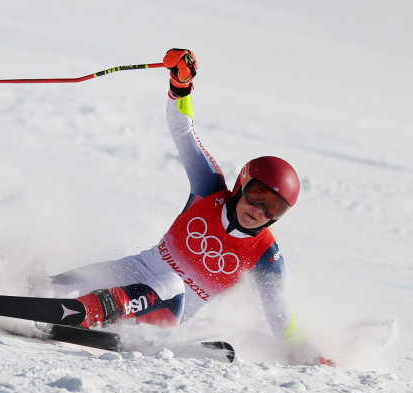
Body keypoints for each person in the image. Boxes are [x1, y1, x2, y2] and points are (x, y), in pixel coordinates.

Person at [31, 48, 333, 366]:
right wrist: (181, 85)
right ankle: (45, 300)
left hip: (161, 317)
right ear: (242, 183)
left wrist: (310, 355)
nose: (259, 209)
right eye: (257, 195)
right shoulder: (209, 189)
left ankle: (88, 313)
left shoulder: (266, 255)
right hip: (132, 273)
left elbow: (281, 319)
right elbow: (183, 130)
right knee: (50, 287)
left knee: (172, 282)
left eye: (272, 208)